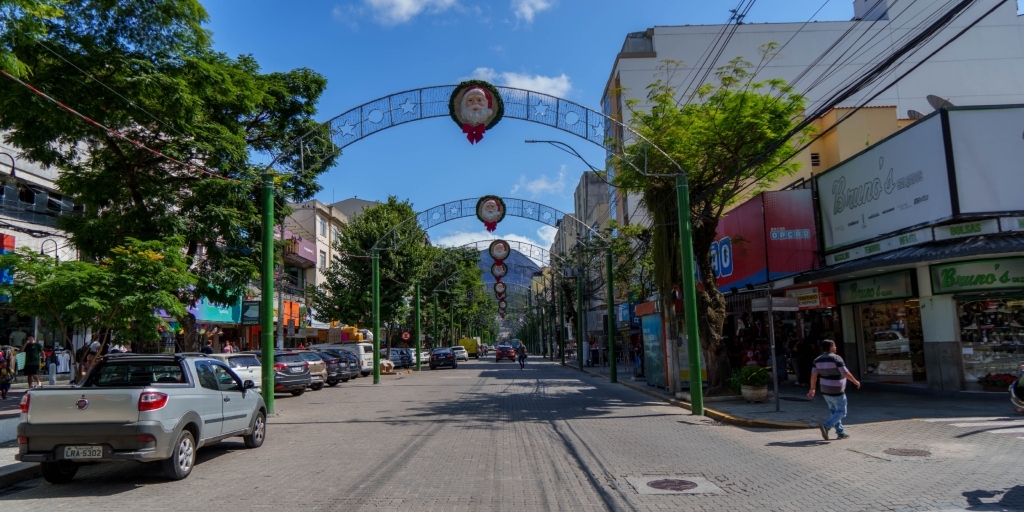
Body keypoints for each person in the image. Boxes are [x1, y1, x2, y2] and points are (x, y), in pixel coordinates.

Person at [807, 339, 861, 441]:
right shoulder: (836, 358)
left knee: (834, 412)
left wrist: (812, 388)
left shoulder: (817, 360)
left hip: (825, 390)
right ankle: (826, 426)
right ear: (831, 347)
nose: (836, 347)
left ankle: (841, 433)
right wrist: (855, 381)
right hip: (837, 390)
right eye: (834, 346)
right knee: (842, 412)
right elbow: (845, 372)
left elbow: (813, 375)